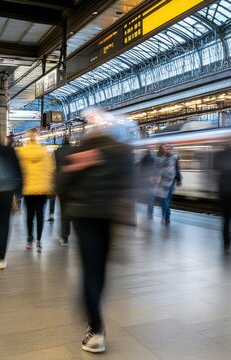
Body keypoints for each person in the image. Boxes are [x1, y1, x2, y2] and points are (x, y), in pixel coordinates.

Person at [57, 108, 134, 353]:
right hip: (109, 216)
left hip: (85, 217)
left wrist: (74, 170)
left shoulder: (80, 149)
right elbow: (129, 185)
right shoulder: (122, 151)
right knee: (99, 271)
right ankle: (93, 314)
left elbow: (60, 185)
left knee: (90, 271)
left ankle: (95, 329)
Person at [16, 128, 54, 252]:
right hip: (42, 190)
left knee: (29, 216)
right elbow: (49, 171)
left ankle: (29, 239)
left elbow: (19, 171)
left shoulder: (22, 152)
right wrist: (49, 187)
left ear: (28, 137)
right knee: (40, 216)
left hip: (28, 190)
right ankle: (39, 241)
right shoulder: (44, 152)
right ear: (37, 137)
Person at [0, 140, 23, 269]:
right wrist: (18, 194)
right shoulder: (8, 150)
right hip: (6, 191)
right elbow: (18, 172)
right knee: (3, 225)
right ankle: (1, 259)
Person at [152, 144, 181, 224]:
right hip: (160, 181)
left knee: (167, 199)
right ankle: (165, 216)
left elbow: (177, 169)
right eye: (165, 147)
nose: (167, 148)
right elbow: (155, 169)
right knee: (163, 200)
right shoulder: (158, 158)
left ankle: (166, 217)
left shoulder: (173, 158)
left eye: (168, 147)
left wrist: (179, 179)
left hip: (170, 181)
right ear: (161, 149)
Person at [54, 136, 74, 245]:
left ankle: (64, 237)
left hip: (61, 185)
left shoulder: (57, 152)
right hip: (73, 185)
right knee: (74, 209)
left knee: (64, 211)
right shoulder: (76, 150)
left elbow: (56, 168)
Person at [138, 149, 155, 219]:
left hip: (144, 180)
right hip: (151, 180)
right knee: (151, 198)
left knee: (143, 196)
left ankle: (141, 211)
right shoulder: (154, 158)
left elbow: (140, 168)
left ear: (146, 153)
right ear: (151, 152)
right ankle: (150, 213)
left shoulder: (143, 159)